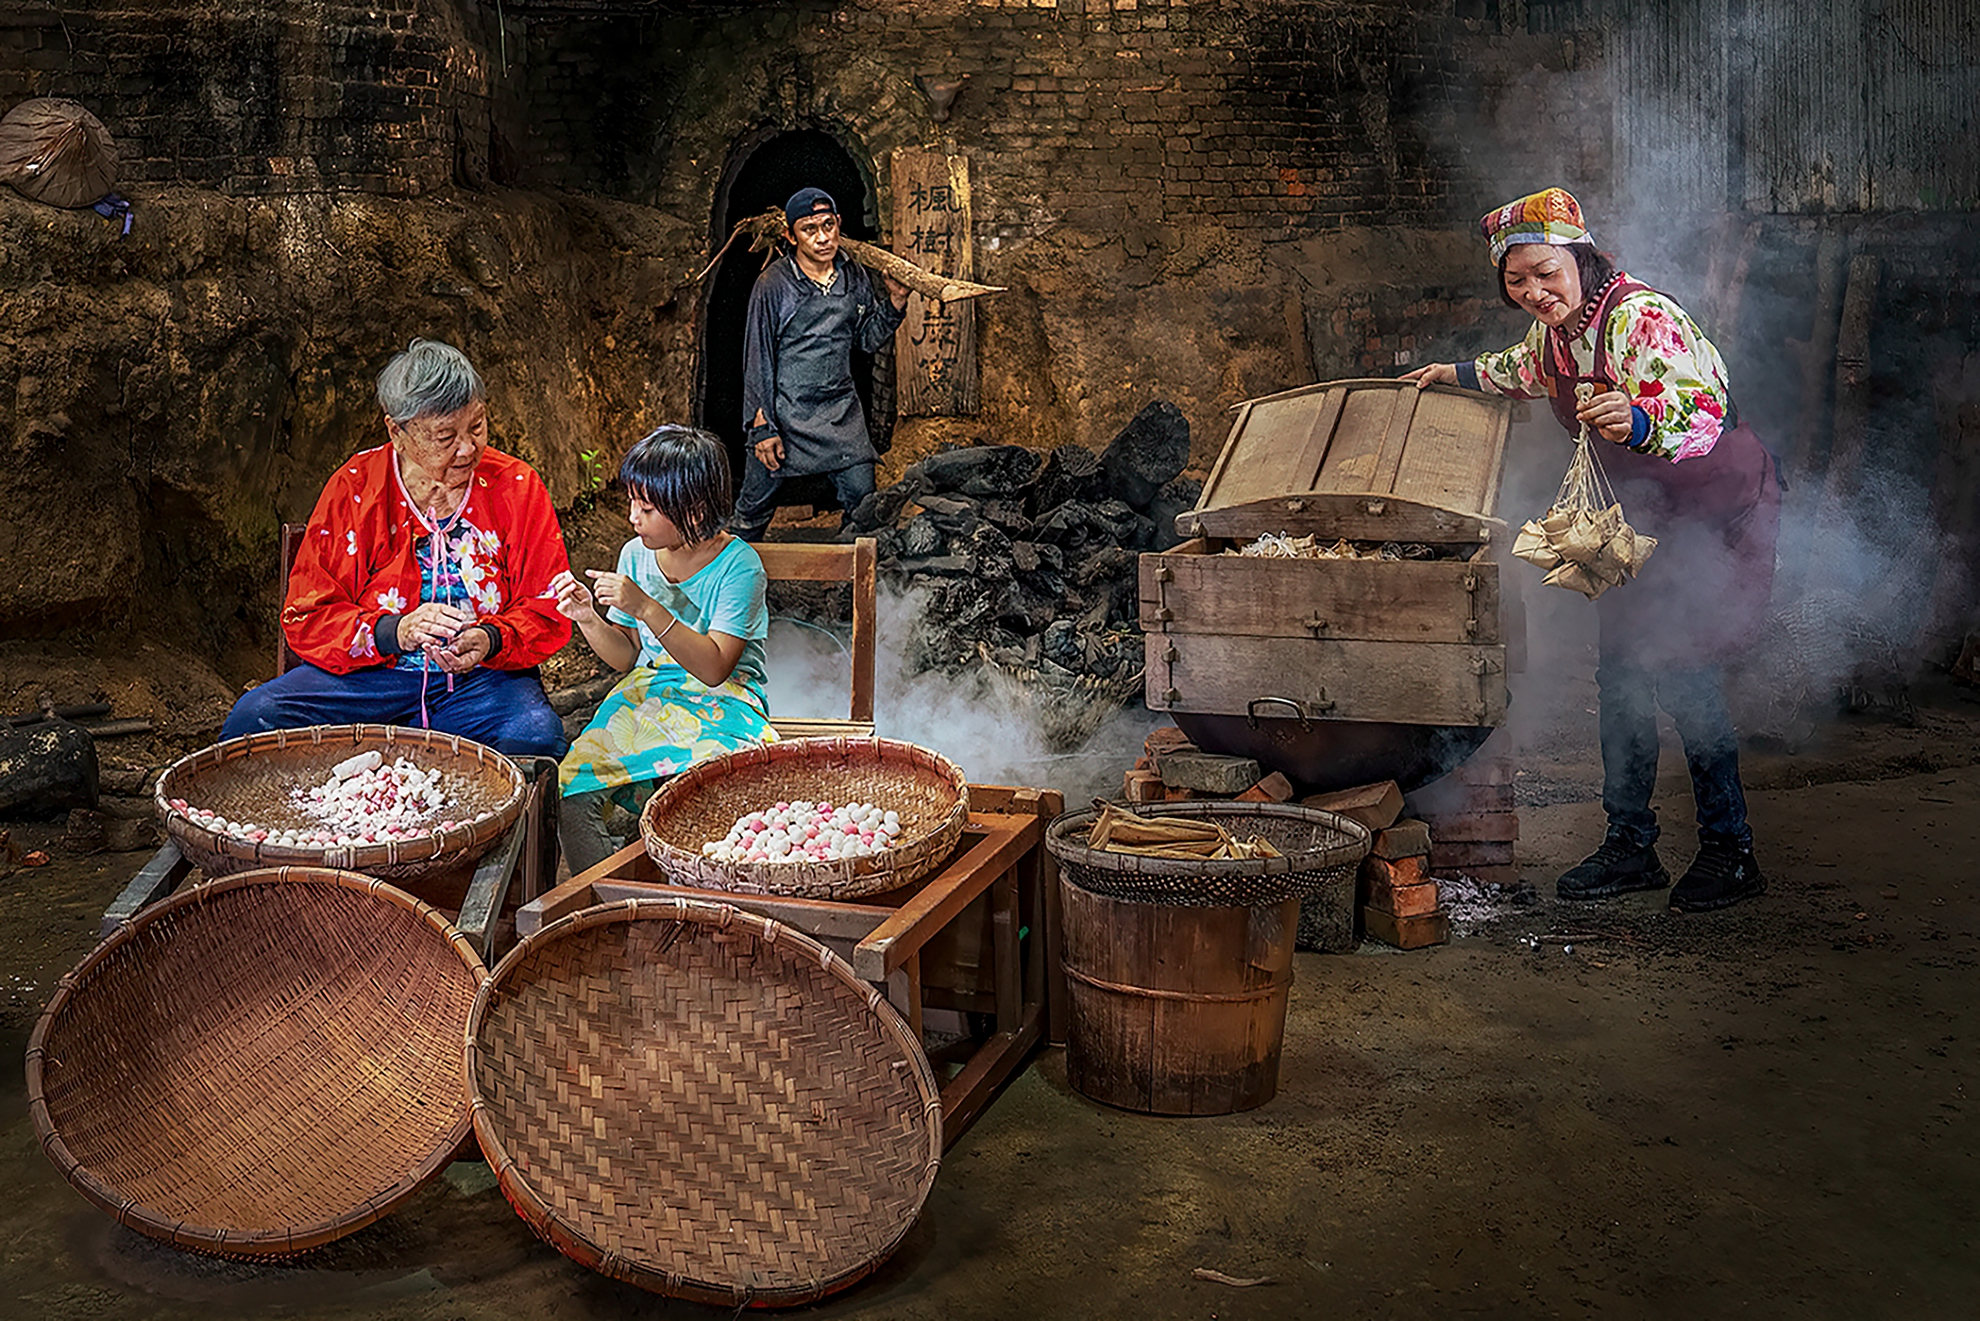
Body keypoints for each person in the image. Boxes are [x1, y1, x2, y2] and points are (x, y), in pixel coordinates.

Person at [1404, 187, 1781, 913]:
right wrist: (1449, 374)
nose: (1534, 292)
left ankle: (1732, 852)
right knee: (1622, 677)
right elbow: (1513, 371)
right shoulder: (1555, 337)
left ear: (1578, 256)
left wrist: (1638, 418)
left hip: (1713, 508)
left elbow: (1703, 408)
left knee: (1686, 677)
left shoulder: (1639, 317)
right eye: (1517, 282)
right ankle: (1630, 845)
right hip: (1643, 523)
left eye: (1547, 272)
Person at [220, 338, 571, 758]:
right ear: (397, 432)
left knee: (534, 738)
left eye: (476, 427)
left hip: (479, 682)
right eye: (445, 436)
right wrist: (395, 631)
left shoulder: (516, 486)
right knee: (255, 718)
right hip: (366, 682)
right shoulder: (355, 486)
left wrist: (490, 638)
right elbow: (308, 615)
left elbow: (548, 607)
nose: (467, 448)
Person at [552, 424, 777, 873]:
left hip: (727, 698)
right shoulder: (635, 554)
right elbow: (628, 657)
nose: (633, 517)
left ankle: (694, 901)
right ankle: (603, 907)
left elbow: (715, 668)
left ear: (693, 511)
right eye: (632, 502)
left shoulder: (739, 567)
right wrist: (587, 619)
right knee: (571, 788)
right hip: (650, 690)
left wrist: (646, 605)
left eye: (647, 507)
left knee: (715, 786)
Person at [733, 185, 910, 540]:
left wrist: (895, 302)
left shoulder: (853, 274)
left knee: (864, 506)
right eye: (809, 230)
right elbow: (757, 359)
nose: (822, 238)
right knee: (752, 511)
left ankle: (850, 590)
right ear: (790, 235)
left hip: (840, 413)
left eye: (828, 226)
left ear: (839, 224)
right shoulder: (774, 284)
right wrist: (762, 428)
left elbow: (867, 339)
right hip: (785, 413)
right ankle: (722, 584)